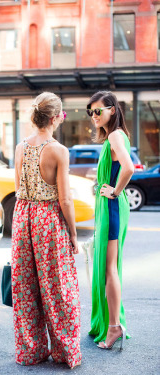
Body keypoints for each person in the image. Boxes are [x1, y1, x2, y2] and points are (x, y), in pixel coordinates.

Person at [11, 92, 82, 369]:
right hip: (48, 220)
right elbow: (64, 199)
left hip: (23, 216)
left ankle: (31, 351)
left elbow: (19, 187)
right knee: (57, 287)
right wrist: (73, 234)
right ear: (56, 118)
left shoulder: (19, 147)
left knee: (25, 287)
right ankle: (64, 351)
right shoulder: (58, 150)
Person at [86, 91, 134, 350]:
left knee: (109, 269)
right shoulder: (118, 136)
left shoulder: (115, 135)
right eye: (90, 111)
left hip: (113, 207)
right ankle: (114, 323)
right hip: (114, 206)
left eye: (98, 110)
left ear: (112, 110)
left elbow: (128, 168)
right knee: (109, 267)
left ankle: (114, 326)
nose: (94, 115)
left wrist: (114, 191)